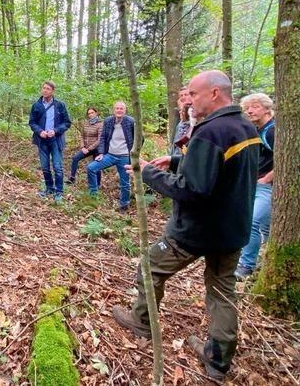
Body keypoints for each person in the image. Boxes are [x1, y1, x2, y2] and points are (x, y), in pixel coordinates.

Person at [112, 70, 260, 381]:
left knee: (149, 267)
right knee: (222, 292)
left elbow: (192, 190)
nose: (189, 100)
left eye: (193, 94)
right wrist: (177, 160)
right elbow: (221, 172)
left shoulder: (211, 132)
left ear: (215, 94)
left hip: (196, 230)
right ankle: (218, 361)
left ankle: (141, 321)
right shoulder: (244, 125)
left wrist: (147, 173)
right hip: (232, 231)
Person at [235, 93, 275, 280]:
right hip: (254, 184)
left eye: (255, 106)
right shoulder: (255, 129)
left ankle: (246, 265)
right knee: (265, 227)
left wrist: (267, 178)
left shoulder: (273, 131)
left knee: (252, 222)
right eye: (247, 107)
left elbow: (288, 159)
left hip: (267, 186)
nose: (250, 110)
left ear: (267, 108)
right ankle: (262, 259)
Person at [86, 101, 135, 212]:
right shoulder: (108, 121)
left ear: (125, 110)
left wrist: (134, 153)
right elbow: (103, 138)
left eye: (121, 108)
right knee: (91, 168)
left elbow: (139, 138)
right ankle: (93, 196)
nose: (119, 110)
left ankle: (124, 205)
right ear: (114, 110)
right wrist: (101, 153)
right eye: (117, 108)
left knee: (125, 182)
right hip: (110, 155)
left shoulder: (130, 121)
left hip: (124, 157)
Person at [28, 81, 71, 202]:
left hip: (56, 140)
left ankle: (59, 191)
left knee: (57, 166)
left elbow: (67, 122)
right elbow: (32, 122)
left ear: (52, 91)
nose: (45, 90)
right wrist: (39, 131)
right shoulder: (36, 105)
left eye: (48, 89)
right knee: (45, 166)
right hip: (42, 140)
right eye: (44, 88)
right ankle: (49, 188)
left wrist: (56, 130)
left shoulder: (60, 105)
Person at [66, 107, 103, 185]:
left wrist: (89, 149)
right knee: (75, 158)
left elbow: (99, 140)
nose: (90, 115)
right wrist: (82, 147)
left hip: (96, 149)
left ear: (96, 113)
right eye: (89, 113)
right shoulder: (86, 123)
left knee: (96, 165)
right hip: (86, 148)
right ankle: (72, 178)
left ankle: (98, 184)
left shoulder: (100, 124)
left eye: (92, 113)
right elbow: (82, 136)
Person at [170, 86, 192, 156]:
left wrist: (183, 110)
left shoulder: (195, 112)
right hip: (176, 153)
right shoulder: (179, 112)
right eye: (181, 95)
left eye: (186, 95)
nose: (183, 97)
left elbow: (187, 128)